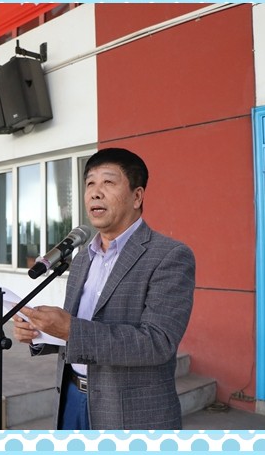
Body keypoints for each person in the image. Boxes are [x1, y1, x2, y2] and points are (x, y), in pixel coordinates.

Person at [12, 148, 196, 430]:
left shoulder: (169, 256)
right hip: (71, 398)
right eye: (90, 184)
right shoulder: (82, 257)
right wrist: (40, 333)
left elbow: (158, 342)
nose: (95, 193)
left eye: (108, 182)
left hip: (130, 414)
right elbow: (78, 328)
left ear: (137, 196)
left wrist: (71, 329)